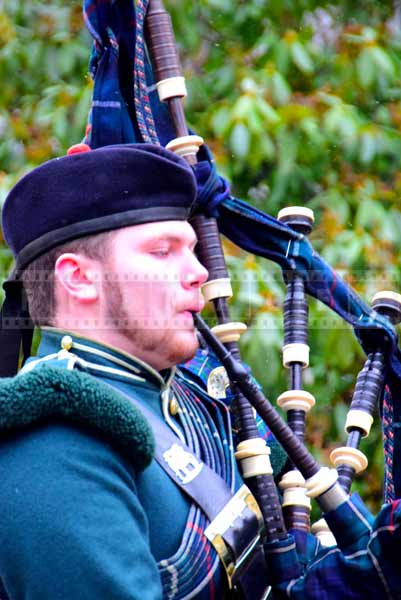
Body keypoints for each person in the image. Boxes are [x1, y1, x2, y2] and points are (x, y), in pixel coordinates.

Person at [0, 143, 284, 599]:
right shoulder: (52, 440)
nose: (198, 273)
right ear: (77, 277)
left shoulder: (195, 406)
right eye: (162, 251)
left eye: (191, 249)